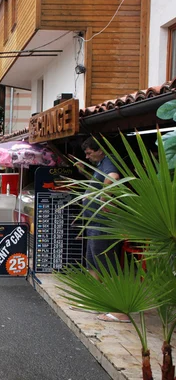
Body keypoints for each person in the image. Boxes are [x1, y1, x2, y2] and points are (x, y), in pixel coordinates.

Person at [75, 137, 128, 323]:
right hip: (93, 222)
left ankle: (120, 310)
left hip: (103, 223)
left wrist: (105, 198)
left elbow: (113, 178)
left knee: (106, 264)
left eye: (89, 153)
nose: (88, 157)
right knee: (92, 262)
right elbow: (98, 183)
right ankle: (94, 300)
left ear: (99, 150)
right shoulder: (100, 165)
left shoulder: (109, 160)